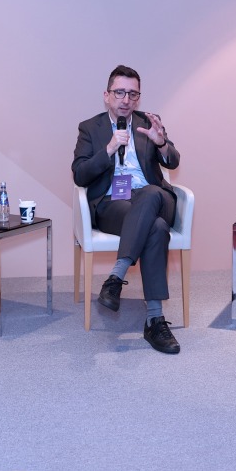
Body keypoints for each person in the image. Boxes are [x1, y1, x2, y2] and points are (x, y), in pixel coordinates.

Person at [72, 65, 182, 354]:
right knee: (156, 229)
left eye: (132, 94)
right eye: (119, 92)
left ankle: (116, 276)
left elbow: (173, 161)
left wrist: (161, 144)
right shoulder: (90, 128)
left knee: (151, 193)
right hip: (113, 205)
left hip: (156, 198)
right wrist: (108, 149)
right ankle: (154, 320)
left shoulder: (148, 122)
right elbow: (80, 175)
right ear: (107, 95)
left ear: (138, 98)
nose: (126, 99)